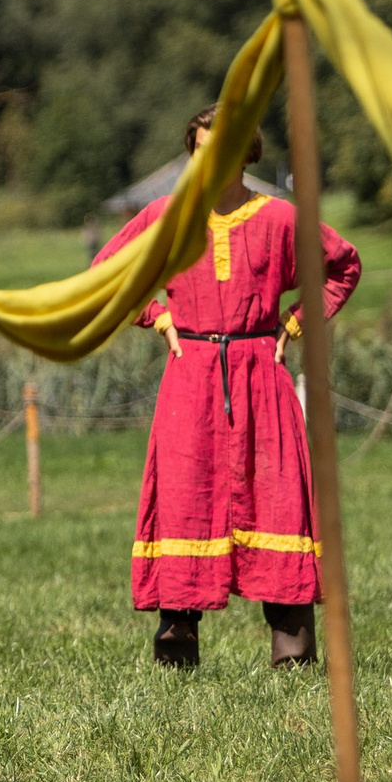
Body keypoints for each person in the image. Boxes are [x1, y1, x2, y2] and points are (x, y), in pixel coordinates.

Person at [94, 104, 361, 670]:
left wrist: (294, 325)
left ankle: (292, 652)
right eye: (201, 151)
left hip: (260, 371)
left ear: (247, 153)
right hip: (189, 374)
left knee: (277, 494)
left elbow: (341, 267)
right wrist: (158, 316)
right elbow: (108, 270)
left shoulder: (282, 219)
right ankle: (176, 647)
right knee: (185, 497)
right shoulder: (166, 216)